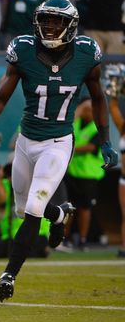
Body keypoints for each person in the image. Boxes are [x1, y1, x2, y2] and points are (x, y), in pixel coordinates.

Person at [0, 0, 117, 302]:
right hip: (26, 140)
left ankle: (8, 276)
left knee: (33, 209)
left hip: (58, 142)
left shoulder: (86, 54)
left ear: (71, 26)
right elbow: (5, 89)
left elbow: (100, 98)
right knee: (22, 208)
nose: (50, 26)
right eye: (46, 20)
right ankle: (60, 214)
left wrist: (105, 139)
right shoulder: (24, 49)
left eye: (57, 21)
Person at [65, 97, 106, 250]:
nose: (88, 112)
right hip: (71, 172)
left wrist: (72, 149)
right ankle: (64, 238)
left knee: (85, 208)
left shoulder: (98, 127)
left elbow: (91, 147)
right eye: (85, 109)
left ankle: (82, 239)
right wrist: (79, 111)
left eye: (89, 109)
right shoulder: (76, 123)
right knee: (68, 206)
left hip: (89, 175)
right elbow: (66, 133)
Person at [107, 97, 125, 258]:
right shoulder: (122, 128)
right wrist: (114, 94)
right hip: (124, 180)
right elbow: (112, 108)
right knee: (124, 214)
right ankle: (124, 247)